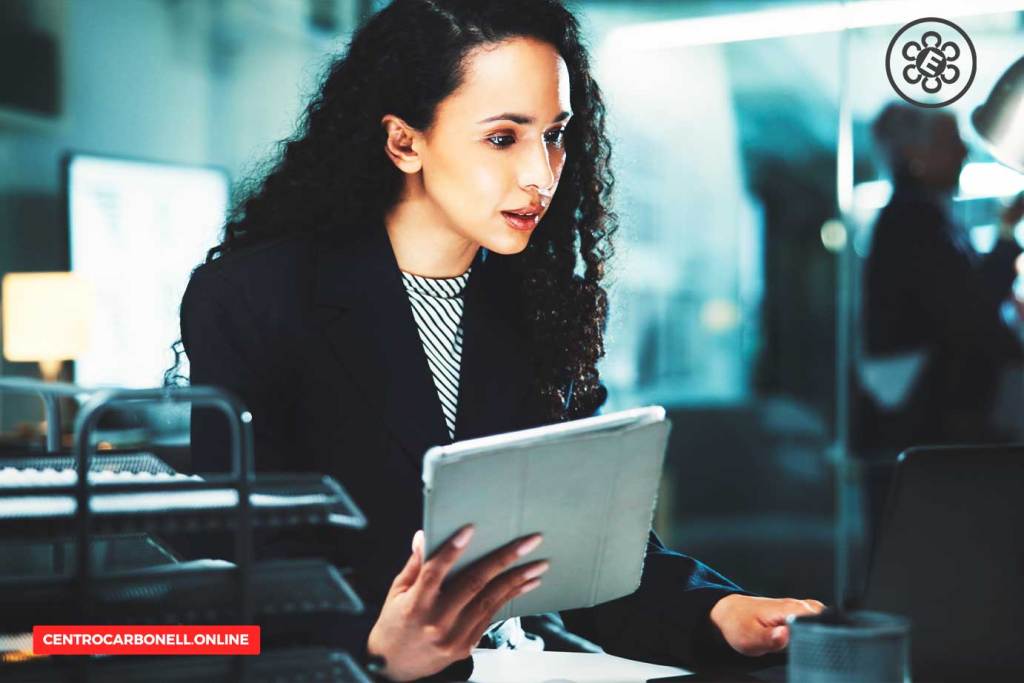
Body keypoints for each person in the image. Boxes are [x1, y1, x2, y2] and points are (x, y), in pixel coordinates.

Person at [178, 1, 824, 680]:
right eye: (503, 138)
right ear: (405, 142)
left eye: (554, 134)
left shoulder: (541, 306)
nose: (541, 175)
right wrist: (373, 649)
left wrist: (719, 613)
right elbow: (241, 572)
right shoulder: (258, 298)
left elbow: (583, 557)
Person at [855, 102, 1024, 546]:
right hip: (925, 427)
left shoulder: (926, 218)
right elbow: (968, 312)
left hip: (927, 424)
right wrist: (1006, 236)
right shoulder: (912, 220)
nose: (966, 152)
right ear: (916, 154)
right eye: (952, 142)